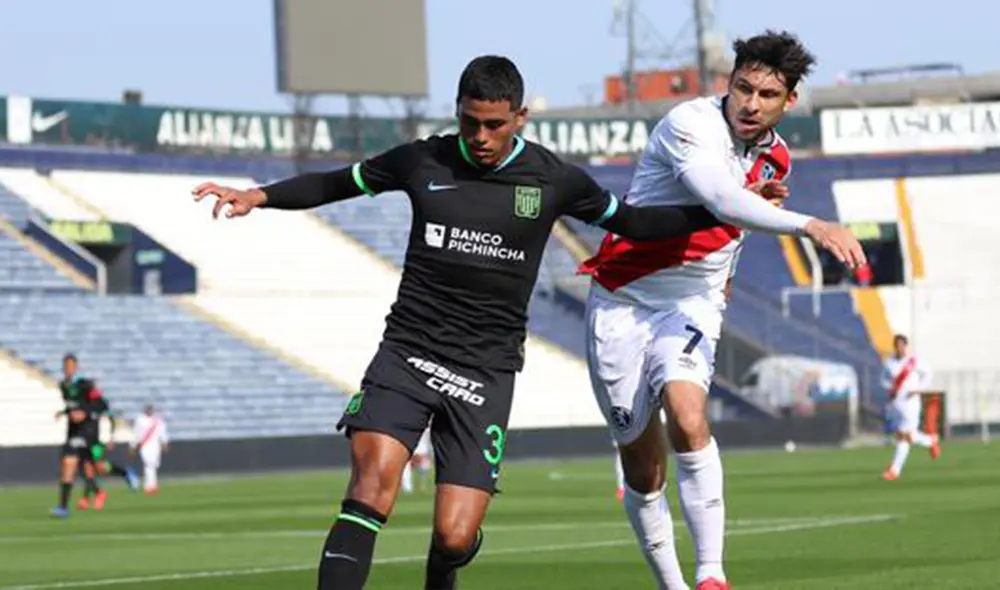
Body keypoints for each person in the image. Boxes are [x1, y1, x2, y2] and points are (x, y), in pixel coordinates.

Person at [192, 55, 734, 590]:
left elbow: (636, 223)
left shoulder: (553, 179)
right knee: (371, 486)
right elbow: (340, 183)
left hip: (485, 370)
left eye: (494, 125)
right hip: (408, 350)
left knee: (454, 536)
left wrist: (726, 211)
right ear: (457, 112)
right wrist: (259, 195)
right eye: (470, 122)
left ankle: (442, 571)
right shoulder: (422, 161)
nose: (480, 136)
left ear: (520, 118)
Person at [578, 30, 866, 590]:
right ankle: (672, 584)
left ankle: (711, 576)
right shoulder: (690, 125)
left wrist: (726, 279)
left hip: (692, 300)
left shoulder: (775, 155)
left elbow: (736, 224)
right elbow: (721, 199)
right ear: (727, 84)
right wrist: (811, 224)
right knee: (642, 464)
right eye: (742, 88)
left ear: (790, 101)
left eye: (766, 95)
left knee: (688, 417)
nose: (750, 104)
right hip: (623, 298)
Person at [52, 354, 138, 517]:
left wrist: (85, 414)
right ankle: (63, 507)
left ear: (76, 367)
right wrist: (64, 413)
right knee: (68, 464)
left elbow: (102, 405)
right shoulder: (63, 385)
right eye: (65, 366)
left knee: (98, 467)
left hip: (90, 433)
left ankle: (125, 473)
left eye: (71, 366)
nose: (68, 369)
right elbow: (74, 407)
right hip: (73, 432)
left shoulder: (86, 385)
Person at [881, 334, 939, 480]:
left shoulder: (913, 362)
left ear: (906, 346)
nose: (900, 348)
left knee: (904, 435)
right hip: (897, 403)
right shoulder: (889, 363)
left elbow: (928, 373)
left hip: (911, 403)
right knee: (906, 435)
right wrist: (889, 388)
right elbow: (882, 379)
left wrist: (919, 388)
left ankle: (895, 470)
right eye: (897, 345)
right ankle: (930, 440)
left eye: (902, 345)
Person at [131, 403, 170, 494]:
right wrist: (133, 445)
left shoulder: (158, 420)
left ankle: (150, 484)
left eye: (150, 409)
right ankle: (150, 486)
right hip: (145, 445)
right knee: (149, 464)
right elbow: (136, 433)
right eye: (147, 409)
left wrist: (165, 442)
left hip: (155, 444)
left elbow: (163, 432)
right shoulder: (140, 420)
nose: (149, 411)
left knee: (154, 465)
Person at [401, 426, 432, 494]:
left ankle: (422, 486)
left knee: (424, 468)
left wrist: (427, 454)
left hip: (422, 452)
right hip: (413, 450)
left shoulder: (427, 431)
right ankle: (407, 488)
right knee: (406, 468)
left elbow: (428, 443)